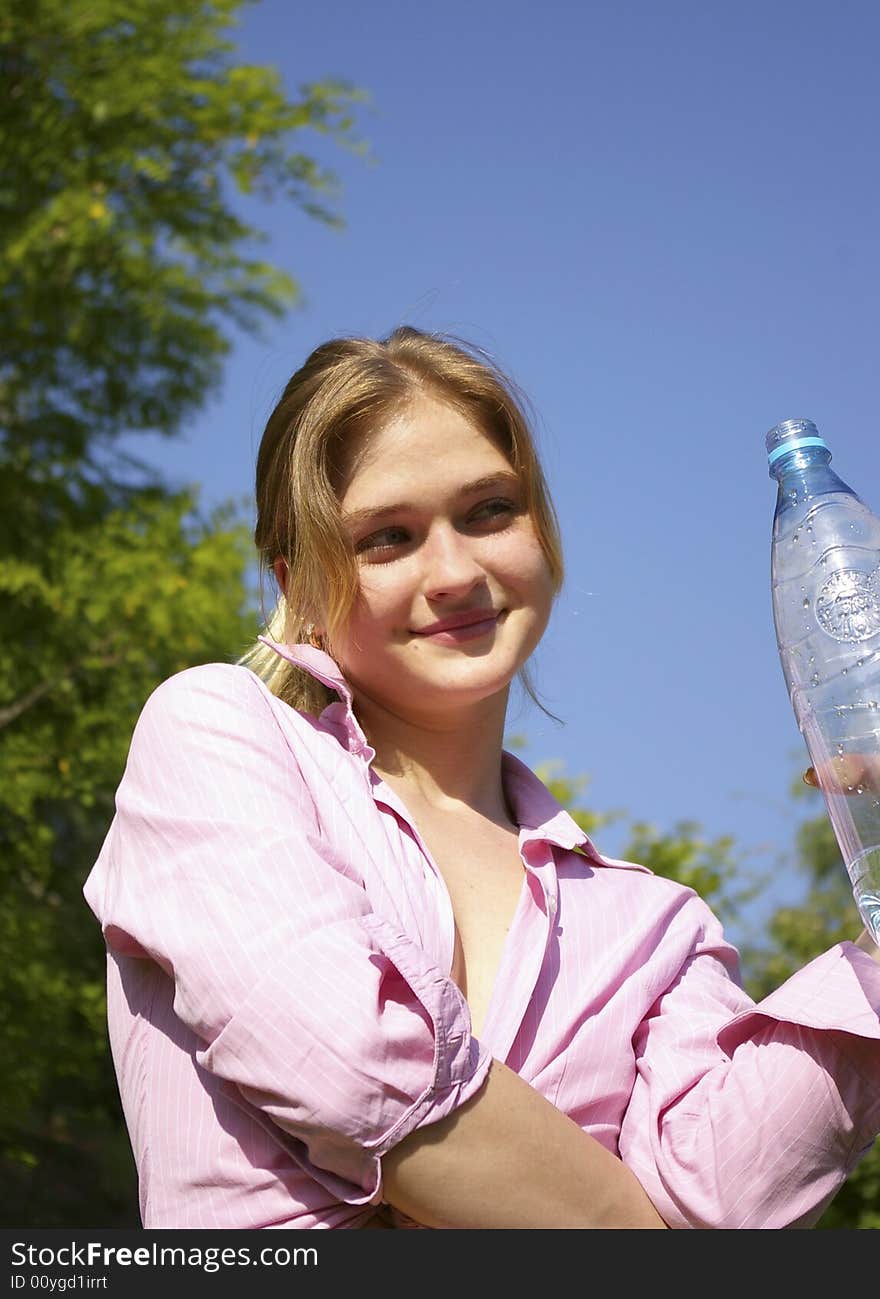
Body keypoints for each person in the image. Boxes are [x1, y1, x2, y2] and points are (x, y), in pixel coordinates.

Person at [84, 327, 880, 1230]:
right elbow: (349, 1067)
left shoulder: (658, 924)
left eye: (490, 510)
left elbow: (722, 1201)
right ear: (297, 581)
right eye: (389, 537)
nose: (455, 571)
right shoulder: (216, 735)